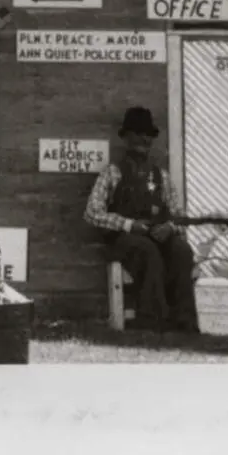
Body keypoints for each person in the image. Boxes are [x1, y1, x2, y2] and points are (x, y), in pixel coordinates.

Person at [84, 106, 199, 333]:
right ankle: (152, 323)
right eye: (137, 134)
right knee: (148, 252)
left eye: (147, 135)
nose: (143, 139)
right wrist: (128, 225)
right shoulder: (112, 173)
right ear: (126, 138)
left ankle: (184, 323)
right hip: (124, 241)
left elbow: (179, 216)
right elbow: (92, 213)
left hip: (158, 236)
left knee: (182, 251)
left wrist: (171, 227)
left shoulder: (161, 176)